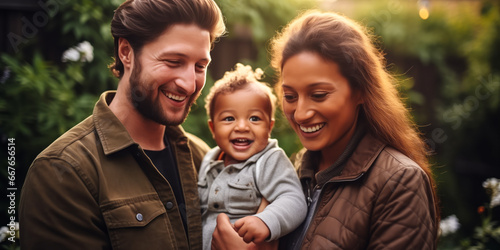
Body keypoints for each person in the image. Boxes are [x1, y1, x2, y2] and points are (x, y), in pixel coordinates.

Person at [212, 10, 439, 250]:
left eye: (318, 95)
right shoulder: (293, 169)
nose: (300, 113)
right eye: (290, 96)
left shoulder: (400, 183)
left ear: (360, 90)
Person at [19, 0, 225, 249]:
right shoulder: (63, 172)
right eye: (173, 61)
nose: (189, 84)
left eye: (200, 66)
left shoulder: (203, 158)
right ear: (126, 52)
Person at [198, 63, 307, 250]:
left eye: (254, 118)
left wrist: (265, 221)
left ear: (269, 127)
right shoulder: (209, 161)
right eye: (229, 118)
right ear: (213, 128)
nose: (242, 126)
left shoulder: (269, 160)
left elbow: (294, 200)